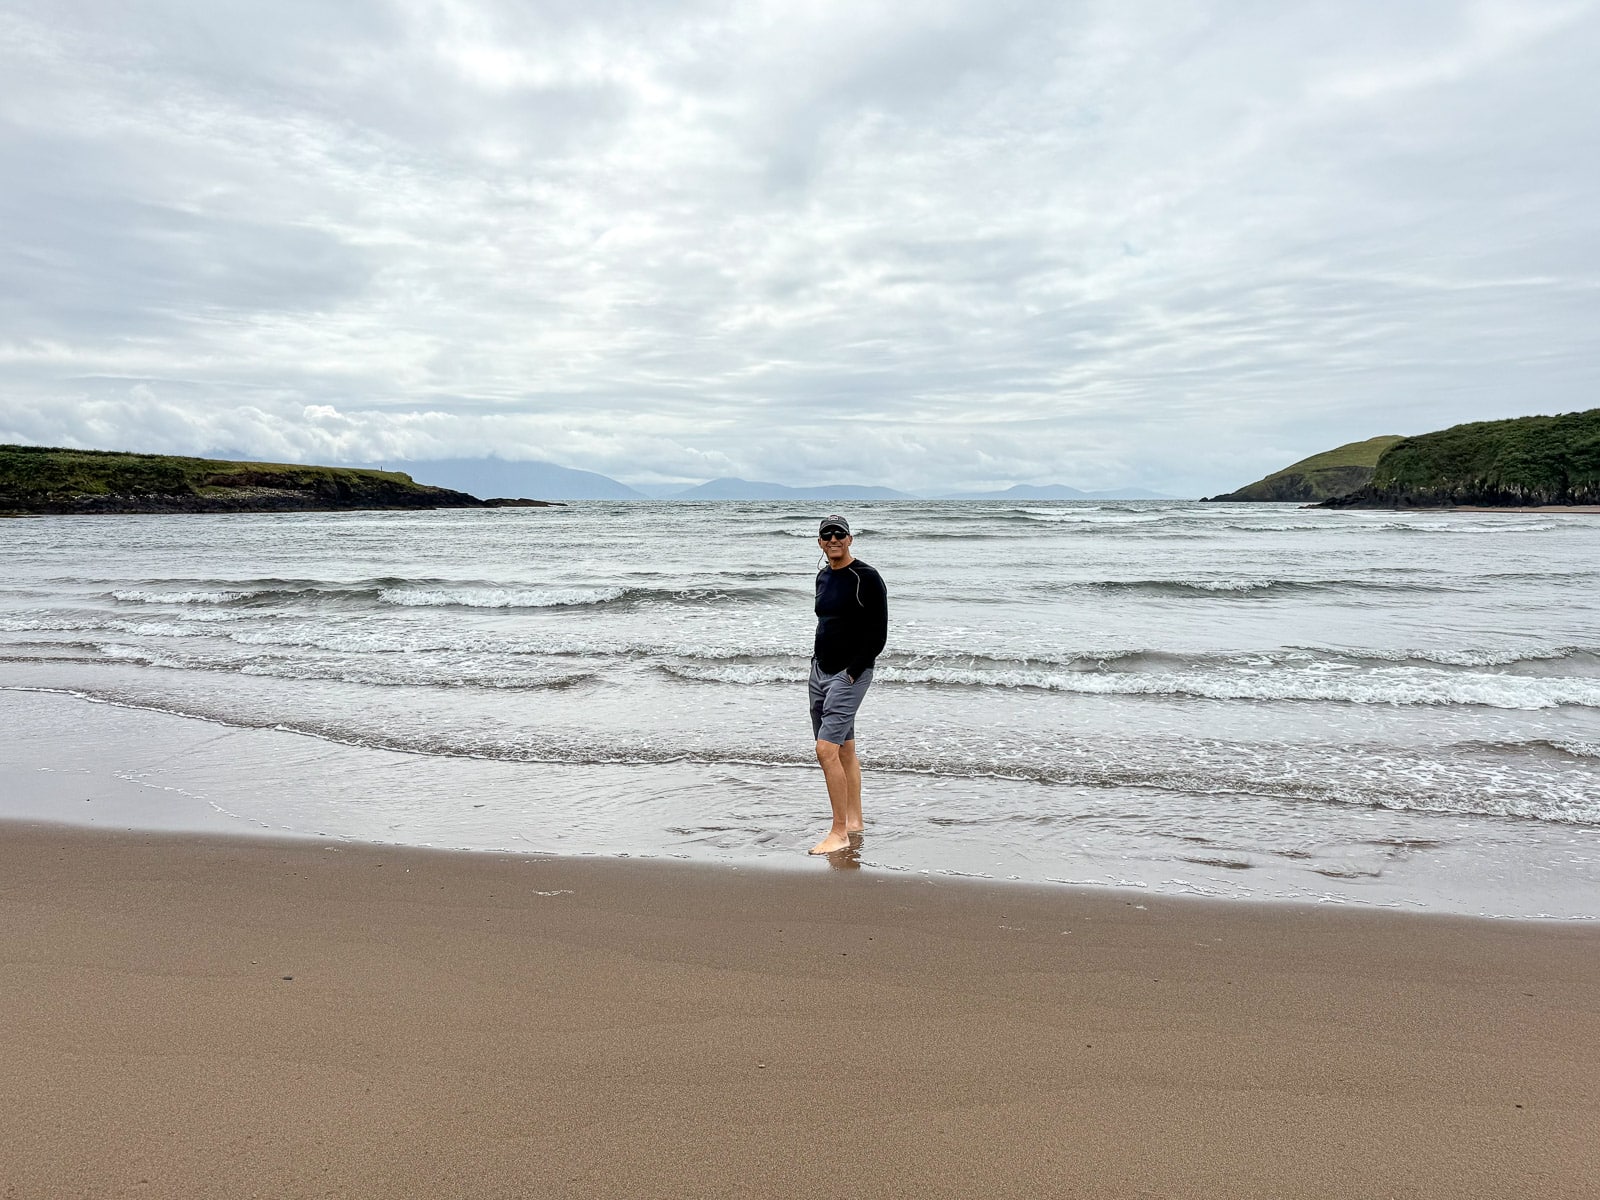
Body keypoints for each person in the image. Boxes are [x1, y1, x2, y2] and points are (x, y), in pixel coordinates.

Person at [807, 514, 888, 855]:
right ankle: (854, 821)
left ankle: (838, 833)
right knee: (844, 749)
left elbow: (878, 635)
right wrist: (816, 666)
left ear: (850, 539)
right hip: (820, 671)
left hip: (849, 674)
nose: (834, 539)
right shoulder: (823, 576)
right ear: (820, 542)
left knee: (825, 750)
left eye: (840, 534)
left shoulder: (866, 578)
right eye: (827, 535)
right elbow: (827, 621)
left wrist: (853, 672)